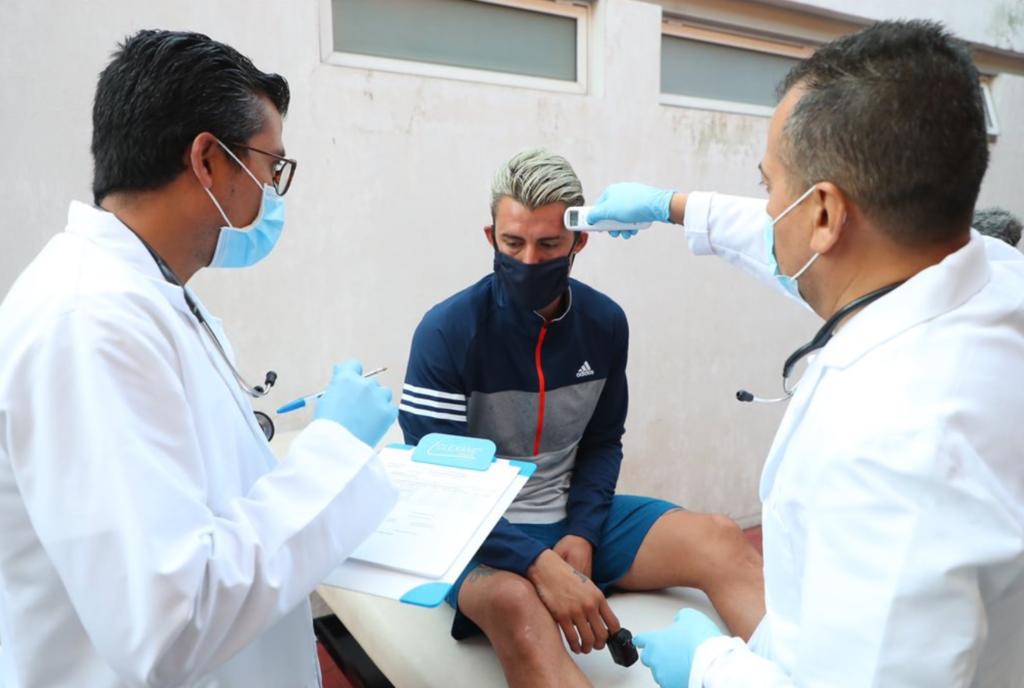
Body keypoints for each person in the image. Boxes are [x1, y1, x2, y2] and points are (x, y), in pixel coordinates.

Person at [587, 19, 1024, 687]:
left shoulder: (895, 448)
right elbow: (806, 247)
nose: (766, 209)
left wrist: (709, 668)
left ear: (822, 214)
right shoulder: (992, 278)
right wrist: (671, 207)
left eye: (769, 185)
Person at [0, 31, 400, 687]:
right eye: (271, 167)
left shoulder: (153, 298)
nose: (272, 193)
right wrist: (336, 450)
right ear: (209, 160)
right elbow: (171, 623)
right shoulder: (88, 324)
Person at [398, 148, 766, 688]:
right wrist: (538, 564)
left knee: (720, 538)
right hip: (476, 534)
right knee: (517, 607)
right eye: (513, 243)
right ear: (491, 237)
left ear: (578, 242)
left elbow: (601, 442)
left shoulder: (604, 323)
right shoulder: (446, 332)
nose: (528, 260)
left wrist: (584, 533)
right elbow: (443, 489)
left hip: (569, 514)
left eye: (548, 245)